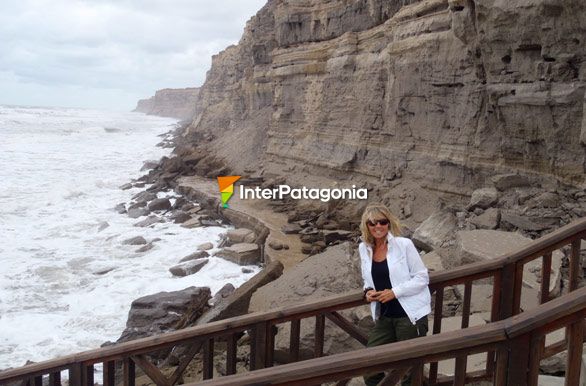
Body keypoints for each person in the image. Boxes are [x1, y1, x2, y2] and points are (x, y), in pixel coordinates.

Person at [358, 203, 431, 386]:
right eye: (372, 223)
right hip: (384, 317)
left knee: (409, 373)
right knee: (369, 367)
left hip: (410, 316)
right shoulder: (364, 249)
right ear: (366, 226)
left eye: (382, 222)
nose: (378, 227)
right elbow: (368, 279)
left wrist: (394, 293)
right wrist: (367, 292)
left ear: (388, 223)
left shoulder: (403, 245)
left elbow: (422, 277)